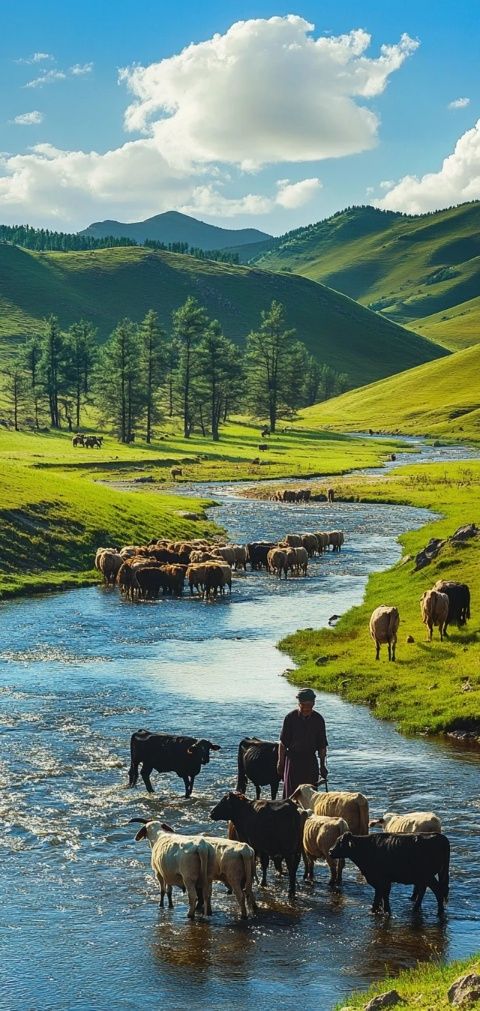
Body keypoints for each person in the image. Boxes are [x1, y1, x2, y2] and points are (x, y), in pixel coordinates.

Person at [277, 688, 328, 798]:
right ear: (299, 704)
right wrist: (281, 763)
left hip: (310, 761)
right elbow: (283, 744)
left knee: (310, 796)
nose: (306, 710)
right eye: (304, 707)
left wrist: (322, 765)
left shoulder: (318, 719)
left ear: (313, 704)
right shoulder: (290, 718)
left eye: (309, 707)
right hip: (293, 761)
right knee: (291, 795)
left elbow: (322, 745)